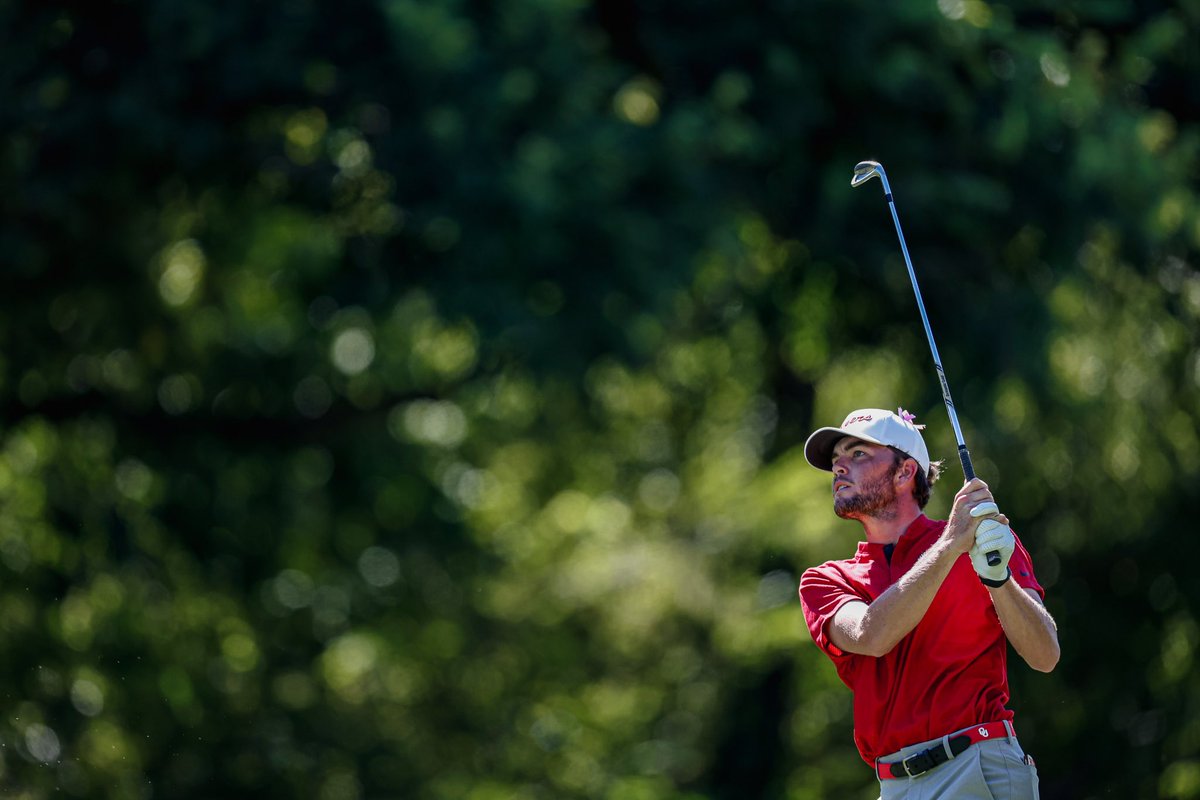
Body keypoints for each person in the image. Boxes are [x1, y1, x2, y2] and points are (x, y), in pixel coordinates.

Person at [798, 407, 1060, 798]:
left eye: (857, 455)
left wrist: (998, 580)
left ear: (905, 473)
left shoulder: (980, 543)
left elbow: (1045, 655)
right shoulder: (825, 580)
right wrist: (951, 545)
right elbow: (872, 633)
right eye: (836, 461)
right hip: (895, 786)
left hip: (980, 764)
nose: (839, 468)